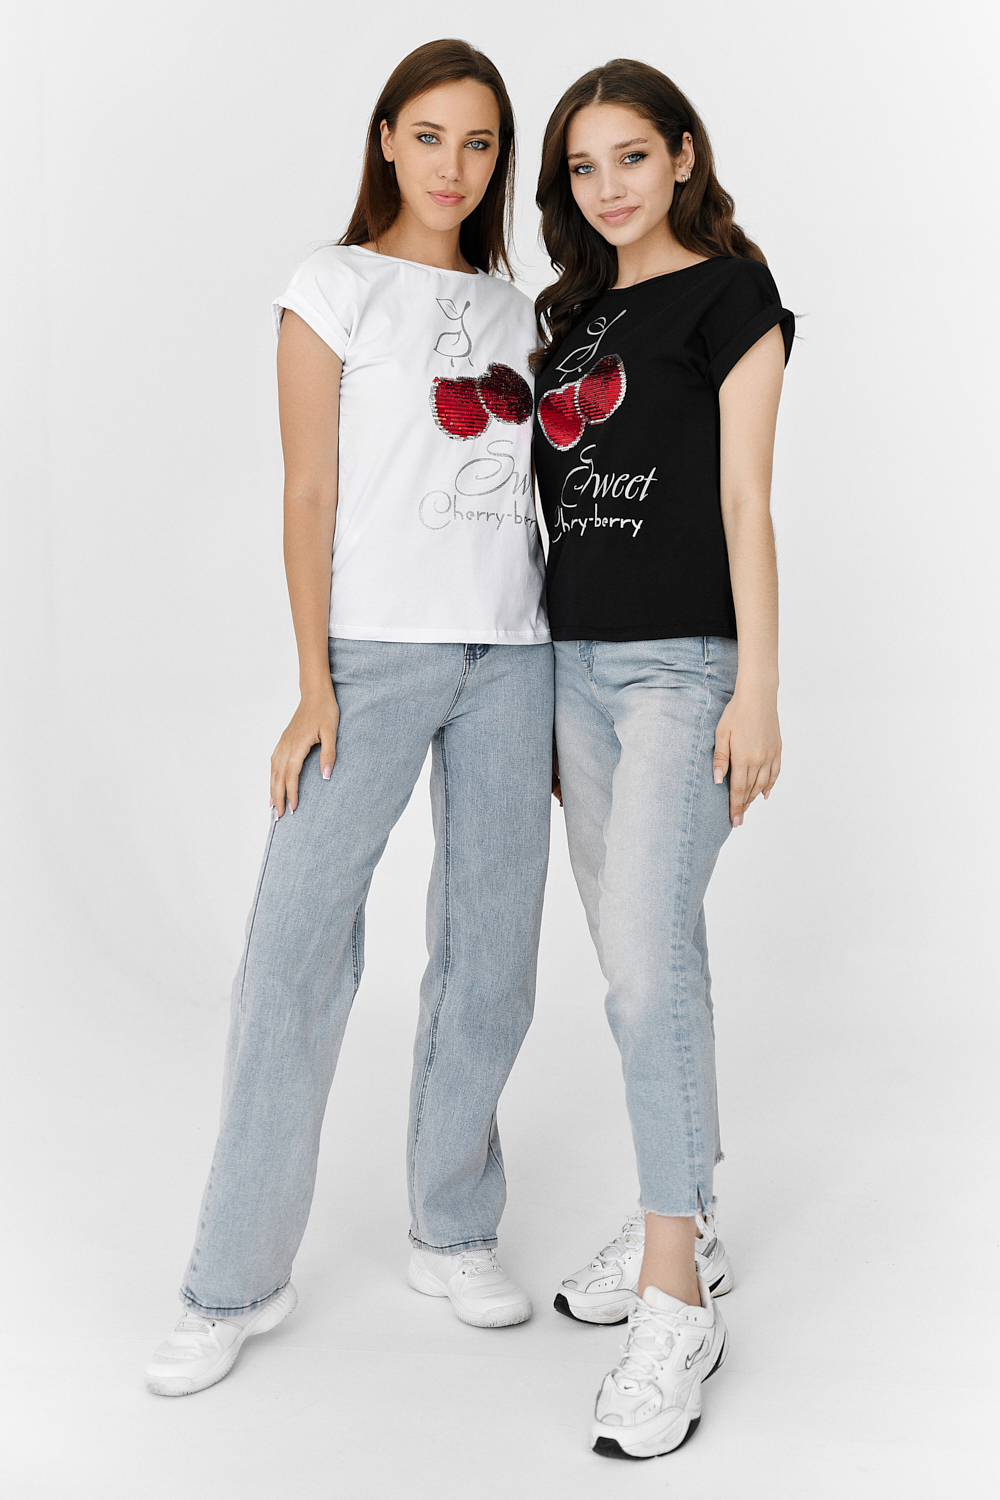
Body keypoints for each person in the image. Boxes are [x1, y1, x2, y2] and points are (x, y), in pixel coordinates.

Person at [144, 39, 553, 1398]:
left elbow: (538, 500)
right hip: (371, 658)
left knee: (491, 954)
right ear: (386, 138)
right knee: (295, 955)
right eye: (429, 135)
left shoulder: (522, 315)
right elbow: (309, 491)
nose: (453, 165)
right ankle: (233, 1281)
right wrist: (313, 680)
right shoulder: (330, 288)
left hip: (514, 657)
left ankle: (453, 1226)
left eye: (480, 143)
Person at [531, 59, 794, 1458]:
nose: (609, 186)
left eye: (632, 155)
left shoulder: (732, 298)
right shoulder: (568, 322)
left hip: (684, 672)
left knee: (641, 970)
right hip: (572, 673)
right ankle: (684, 1213)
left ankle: (676, 1297)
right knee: (655, 959)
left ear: (684, 155)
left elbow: (747, 499)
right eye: (584, 166)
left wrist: (758, 686)